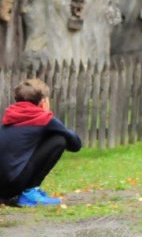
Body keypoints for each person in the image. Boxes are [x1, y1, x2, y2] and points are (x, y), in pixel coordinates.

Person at [0, 78, 82, 207]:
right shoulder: (43, 118)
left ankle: (16, 195)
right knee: (59, 140)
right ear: (43, 102)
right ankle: (30, 193)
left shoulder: (10, 117)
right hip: (13, 184)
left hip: (2, 188)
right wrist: (49, 117)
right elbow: (76, 145)